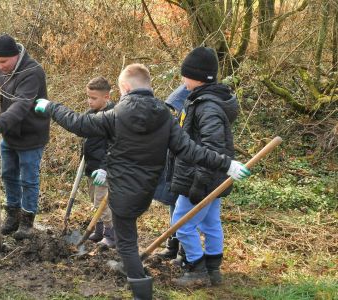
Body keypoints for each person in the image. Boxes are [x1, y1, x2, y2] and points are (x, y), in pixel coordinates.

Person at [33, 63, 250, 300]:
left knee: (126, 242)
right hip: (146, 190)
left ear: (125, 88)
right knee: (129, 235)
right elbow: (191, 150)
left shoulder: (117, 114)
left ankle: (141, 290)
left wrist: (51, 107)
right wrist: (226, 164)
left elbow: (79, 124)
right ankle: (129, 266)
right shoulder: (165, 116)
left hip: (122, 191)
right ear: (149, 86)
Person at [169, 47, 240, 287]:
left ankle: (196, 268)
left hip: (200, 176)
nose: (182, 80)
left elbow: (213, 149)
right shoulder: (204, 100)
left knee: (180, 222)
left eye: (185, 75)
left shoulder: (207, 107)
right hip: (209, 175)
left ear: (197, 77)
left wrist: (200, 181)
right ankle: (213, 269)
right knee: (210, 223)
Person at [0, 34, 49, 240]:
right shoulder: (1, 71)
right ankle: (12, 215)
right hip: (9, 134)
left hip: (31, 135)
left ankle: (27, 221)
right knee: (8, 174)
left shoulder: (32, 72)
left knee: (28, 179)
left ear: (15, 56)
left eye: (3, 61)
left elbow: (21, 105)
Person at [153, 84, 190, 262]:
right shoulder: (179, 115)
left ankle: (185, 252)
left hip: (187, 168)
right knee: (174, 208)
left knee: (185, 212)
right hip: (175, 167)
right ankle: (172, 247)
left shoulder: (194, 114)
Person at [82, 76, 116, 249]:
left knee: (102, 202)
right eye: (88, 97)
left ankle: (112, 234)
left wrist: (104, 168)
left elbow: (114, 147)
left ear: (107, 97)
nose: (89, 101)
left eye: (93, 98)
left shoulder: (112, 117)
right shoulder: (90, 115)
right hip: (91, 166)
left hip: (104, 169)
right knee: (94, 200)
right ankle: (100, 229)